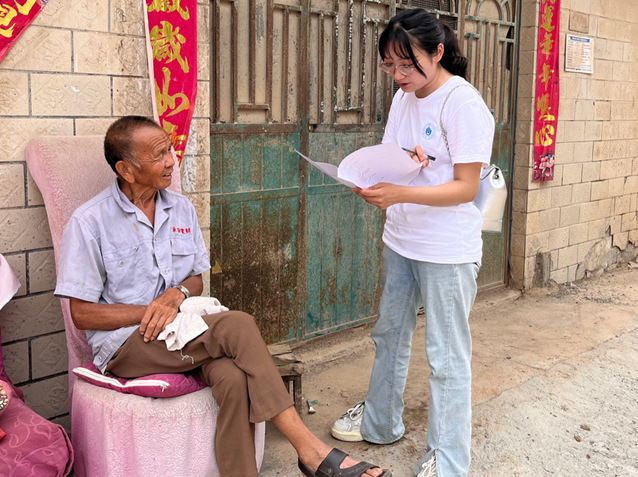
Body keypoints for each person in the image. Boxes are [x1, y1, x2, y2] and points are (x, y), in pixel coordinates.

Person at [54, 116, 391, 477]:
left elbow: (195, 280)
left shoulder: (179, 207)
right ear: (126, 170)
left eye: (169, 150)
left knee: (232, 377)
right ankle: (311, 451)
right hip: (129, 346)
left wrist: (176, 294)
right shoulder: (89, 222)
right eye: (159, 156)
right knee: (238, 325)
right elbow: (82, 315)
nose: (171, 161)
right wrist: (152, 310)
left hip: (181, 334)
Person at [330, 9, 495, 477]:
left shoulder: (462, 104)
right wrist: (397, 165)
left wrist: (400, 192)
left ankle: (448, 459)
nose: (399, 75)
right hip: (401, 240)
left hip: (447, 250)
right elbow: (394, 153)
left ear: (438, 52)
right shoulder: (404, 98)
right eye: (390, 65)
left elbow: (466, 187)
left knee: (446, 356)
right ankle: (381, 422)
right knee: (389, 334)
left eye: (408, 64)